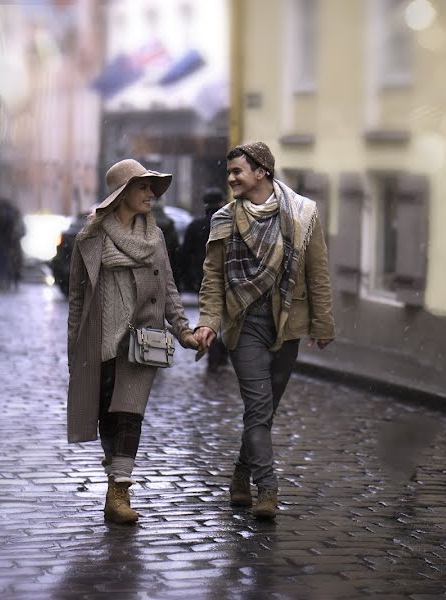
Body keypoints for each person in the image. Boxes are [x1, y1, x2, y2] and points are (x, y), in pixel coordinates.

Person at [194, 142, 335, 519]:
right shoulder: (224, 219)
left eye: (237, 171)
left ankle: (241, 472)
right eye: (229, 172)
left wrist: (322, 323)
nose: (231, 178)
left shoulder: (303, 214)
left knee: (265, 411)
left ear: (262, 172)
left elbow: (317, 273)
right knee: (257, 408)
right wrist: (208, 322)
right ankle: (267, 489)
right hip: (244, 325)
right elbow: (213, 278)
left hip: (287, 324)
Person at [67, 158, 199, 525]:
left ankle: (120, 490)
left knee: (129, 415)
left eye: (151, 188)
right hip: (99, 340)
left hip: (142, 339)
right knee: (107, 417)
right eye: (143, 187)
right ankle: (115, 476)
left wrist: (184, 331)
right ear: (122, 193)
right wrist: (72, 351)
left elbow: (169, 288)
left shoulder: (154, 238)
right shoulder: (90, 238)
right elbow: (77, 300)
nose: (151, 195)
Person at [180, 187, 229, 372]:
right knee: (225, 316)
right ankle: (220, 353)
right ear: (222, 202)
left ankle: (213, 352)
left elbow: (185, 253)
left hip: (201, 278)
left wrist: (187, 279)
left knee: (209, 315)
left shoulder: (195, 225)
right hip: (225, 276)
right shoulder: (228, 224)